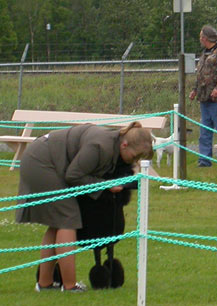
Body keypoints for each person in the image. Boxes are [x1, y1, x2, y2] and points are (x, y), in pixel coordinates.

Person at [16, 121, 153, 292]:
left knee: (58, 221)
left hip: (42, 160)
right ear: (124, 145)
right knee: (68, 219)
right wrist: (105, 185)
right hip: (42, 163)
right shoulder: (100, 146)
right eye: (135, 157)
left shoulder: (112, 143)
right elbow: (73, 175)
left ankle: (45, 284)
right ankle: (70, 286)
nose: (136, 161)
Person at [189, 25, 217, 167]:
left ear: (206, 38)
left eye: (201, 36)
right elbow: (200, 74)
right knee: (205, 133)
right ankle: (204, 160)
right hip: (205, 98)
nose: (200, 39)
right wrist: (195, 90)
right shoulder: (205, 53)